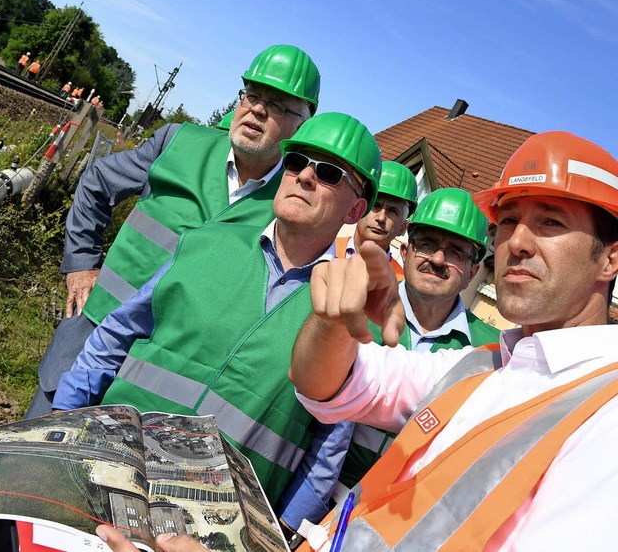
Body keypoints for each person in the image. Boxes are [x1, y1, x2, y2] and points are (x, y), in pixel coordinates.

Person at [52, 112, 381, 543]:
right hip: (105, 476)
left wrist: (280, 533)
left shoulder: (345, 311)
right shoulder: (207, 242)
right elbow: (117, 333)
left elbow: (329, 447)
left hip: (215, 532)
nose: (303, 176)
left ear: (356, 208)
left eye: (328, 173)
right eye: (297, 161)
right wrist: (62, 418)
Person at [289, 130, 618, 551]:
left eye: (550, 221)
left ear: (609, 258)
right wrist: (335, 319)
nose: (515, 242)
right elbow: (323, 384)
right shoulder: (484, 366)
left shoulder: (605, 415)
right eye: (510, 220)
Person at [27, 44, 320, 418]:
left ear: (303, 124)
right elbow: (98, 180)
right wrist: (81, 262)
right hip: (86, 340)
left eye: (278, 105)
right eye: (252, 94)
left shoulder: (288, 203)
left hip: (162, 380)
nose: (258, 109)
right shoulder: (178, 142)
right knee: (29, 463)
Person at [336, 186, 499, 492]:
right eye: (426, 244)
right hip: (317, 501)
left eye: (455, 252)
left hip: (403, 524)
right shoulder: (354, 308)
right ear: (405, 251)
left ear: (472, 271)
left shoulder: (491, 353)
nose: (437, 259)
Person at [336, 160, 417, 280]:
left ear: (402, 228)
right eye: (376, 205)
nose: (381, 218)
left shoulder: (398, 283)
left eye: (393, 211)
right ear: (358, 208)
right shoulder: (324, 249)